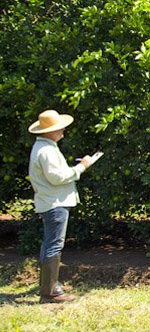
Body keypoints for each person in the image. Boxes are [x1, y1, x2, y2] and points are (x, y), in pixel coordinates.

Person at [28, 109, 96, 303]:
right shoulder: (47, 150)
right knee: (54, 245)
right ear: (49, 131)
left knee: (50, 244)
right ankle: (50, 292)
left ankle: (49, 287)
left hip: (50, 201)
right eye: (59, 128)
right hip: (55, 203)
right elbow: (57, 177)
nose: (63, 131)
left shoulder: (43, 147)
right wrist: (82, 167)